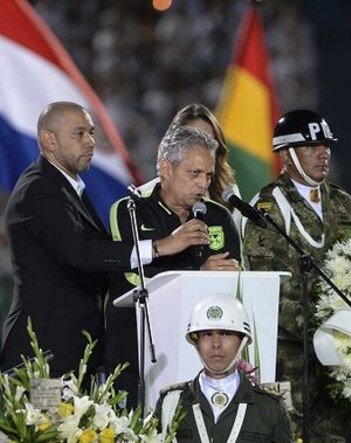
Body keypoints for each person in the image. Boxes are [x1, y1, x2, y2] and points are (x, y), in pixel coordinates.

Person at [0, 102, 205, 378]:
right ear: (49, 140)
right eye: (79, 134)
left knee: (69, 424)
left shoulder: (65, 188)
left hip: (69, 352)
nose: (91, 142)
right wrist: (160, 246)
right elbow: (82, 252)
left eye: (92, 133)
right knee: (46, 423)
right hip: (44, 357)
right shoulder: (38, 190)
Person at [105, 124, 242, 407]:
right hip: (138, 357)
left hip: (201, 359)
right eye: (194, 174)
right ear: (166, 169)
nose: (203, 184)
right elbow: (135, 279)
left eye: (208, 175)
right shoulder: (129, 210)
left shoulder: (219, 217)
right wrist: (198, 274)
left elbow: (234, 280)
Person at [243, 109, 351, 441]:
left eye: (326, 145)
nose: (323, 153)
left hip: (343, 362)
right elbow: (270, 286)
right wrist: (329, 330)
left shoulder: (342, 202)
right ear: (287, 154)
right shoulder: (267, 208)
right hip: (291, 360)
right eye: (312, 147)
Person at [155, 293, 293, 442]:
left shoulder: (269, 407)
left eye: (226, 333)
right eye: (207, 334)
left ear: (242, 341)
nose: (216, 344)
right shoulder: (170, 403)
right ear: (196, 342)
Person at [137, 103, 242, 227]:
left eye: (209, 140)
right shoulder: (142, 198)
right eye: (192, 138)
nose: (202, 147)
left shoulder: (228, 193)